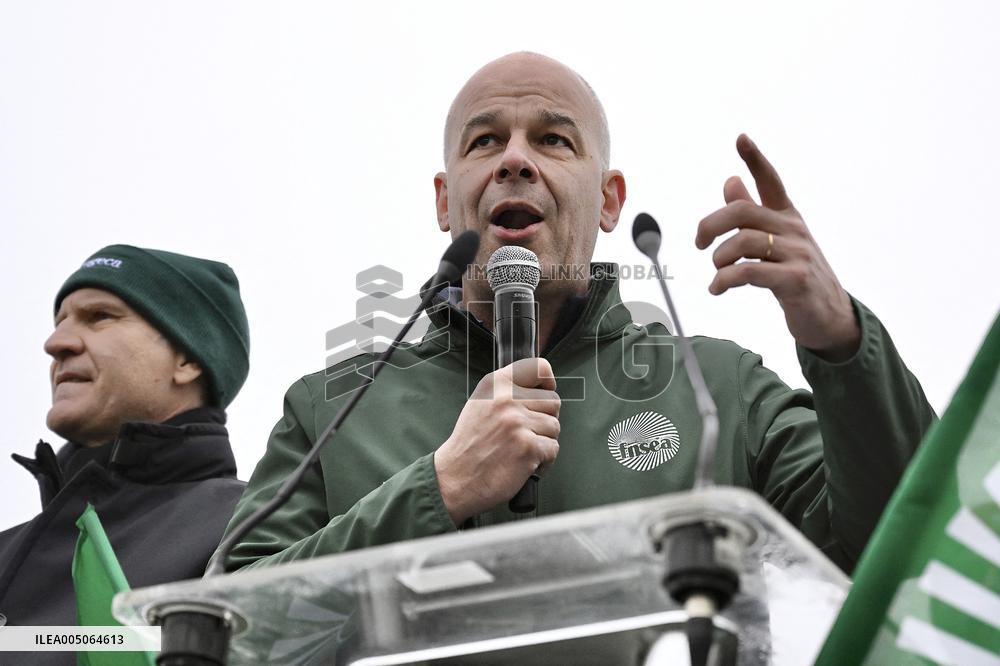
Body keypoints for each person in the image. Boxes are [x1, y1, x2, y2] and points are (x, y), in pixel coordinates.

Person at [220, 52, 934, 575]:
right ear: (445, 201)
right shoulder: (333, 410)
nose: (516, 161)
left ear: (610, 200)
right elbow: (228, 628)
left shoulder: (719, 390)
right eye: (485, 141)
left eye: (554, 140)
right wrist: (437, 489)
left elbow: (900, 552)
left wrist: (840, 340)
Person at [0, 245, 251, 646]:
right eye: (59, 321)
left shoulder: (249, 527)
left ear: (186, 358)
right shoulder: (6, 549)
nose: (56, 343)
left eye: (99, 316)